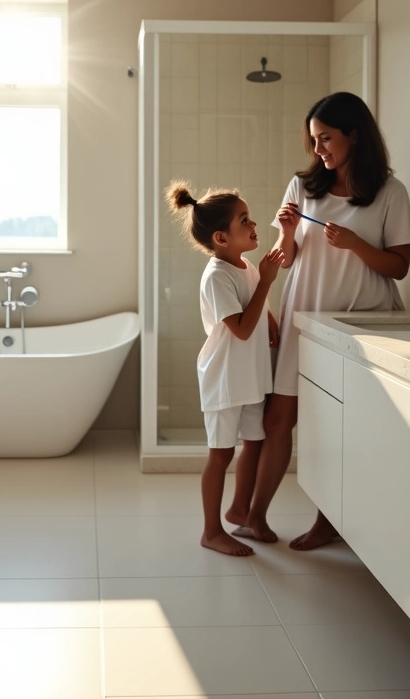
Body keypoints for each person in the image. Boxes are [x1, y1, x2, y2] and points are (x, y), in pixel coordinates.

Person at [233, 92, 410, 550]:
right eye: (314, 141)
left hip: (363, 324)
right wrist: (288, 231)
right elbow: (287, 259)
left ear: (355, 135)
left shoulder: (390, 193)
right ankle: (255, 516)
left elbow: (399, 267)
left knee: (341, 426)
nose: (318, 150)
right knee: (279, 420)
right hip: (306, 319)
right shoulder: (303, 187)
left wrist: (355, 243)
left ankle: (326, 522)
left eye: (326, 139)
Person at [166, 180, 284, 557]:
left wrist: (270, 316)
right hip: (225, 379)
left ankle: (242, 512)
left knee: (256, 440)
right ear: (220, 237)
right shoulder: (218, 276)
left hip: (249, 375)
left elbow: (255, 312)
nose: (254, 226)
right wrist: (266, 284)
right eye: (244, 221)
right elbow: (241, 328)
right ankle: (211, 531)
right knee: (220, 454)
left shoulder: (245, 266)